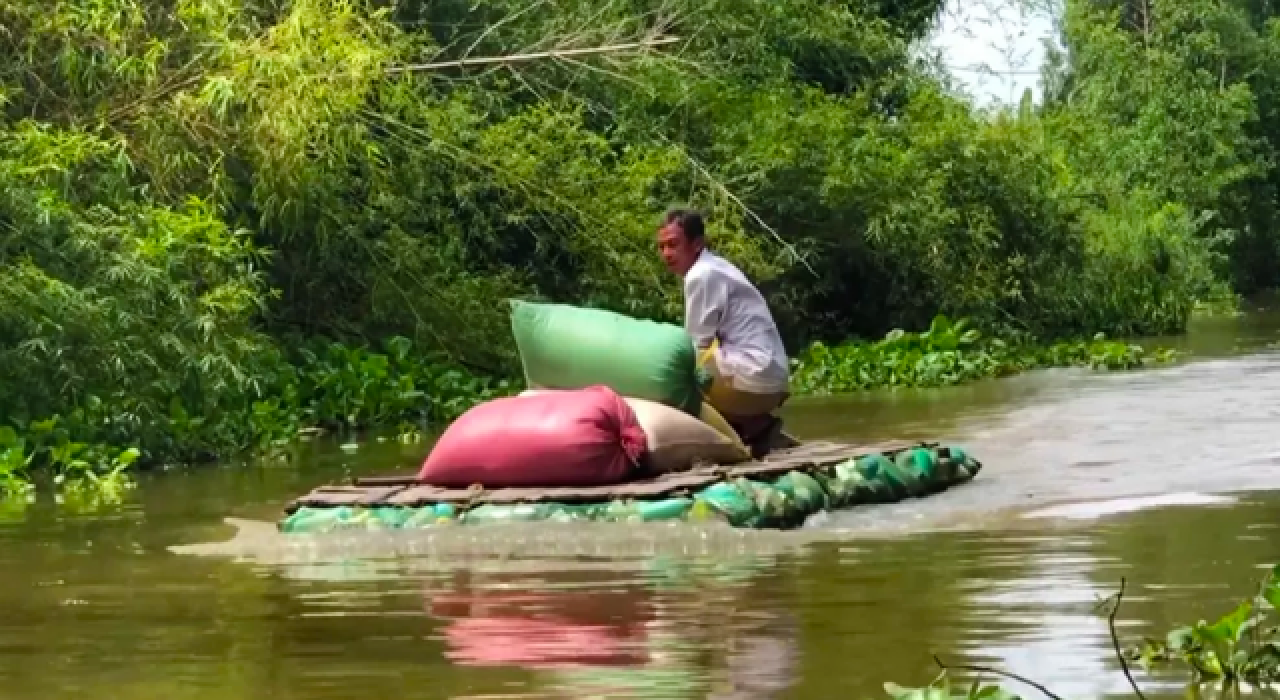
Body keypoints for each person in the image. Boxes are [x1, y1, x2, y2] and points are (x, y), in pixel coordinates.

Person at [656, 207, 796, 457]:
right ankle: (758, 429)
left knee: (680, 374)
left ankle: (727, 442)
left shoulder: (702, 274)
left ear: (697, 243)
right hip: (769, 374)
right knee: (694, 367)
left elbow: (695, 344)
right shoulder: (713, 267)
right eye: (662, 246)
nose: (667, 253)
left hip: (756, 374)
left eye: (673, 244)